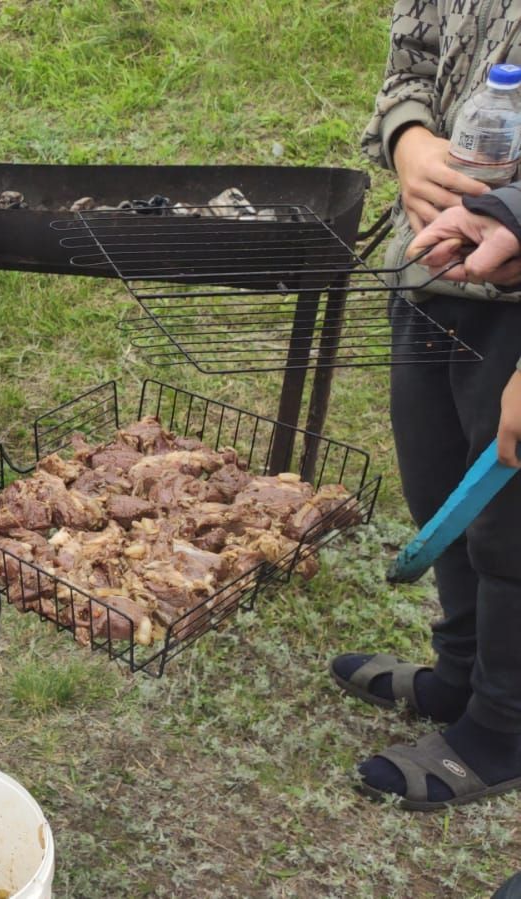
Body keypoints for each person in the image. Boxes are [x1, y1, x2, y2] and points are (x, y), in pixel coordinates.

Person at [330, 0, 521, 808]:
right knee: (439, 488)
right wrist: (409, 144)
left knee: (509, 526)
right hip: (433, 272)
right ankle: (458, 673)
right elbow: (408, 57)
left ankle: (503, 723)